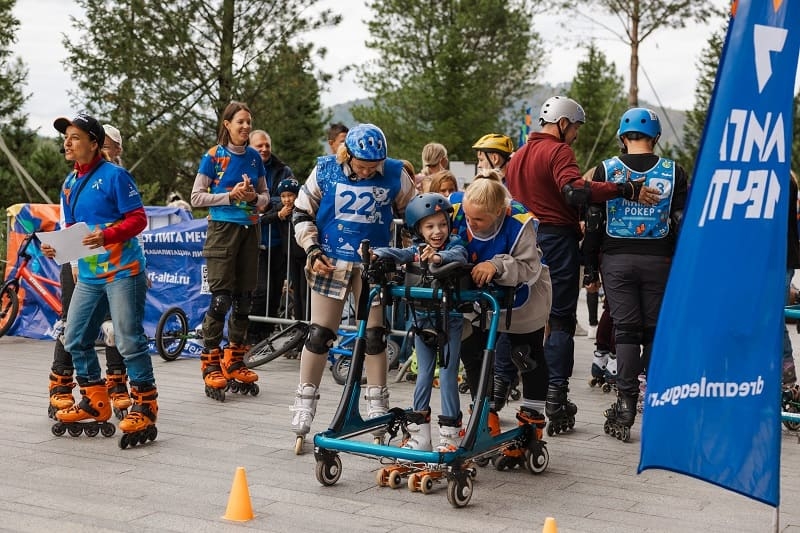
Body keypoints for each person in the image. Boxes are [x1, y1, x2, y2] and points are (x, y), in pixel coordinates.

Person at [504, 95, 660, 434]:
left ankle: (500, 386)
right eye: (574, 128)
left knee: (517, 319)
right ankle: (555, 398)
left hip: (519, 239)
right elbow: (574, 191)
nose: (574, 135)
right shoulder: (558, 150)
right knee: (560, 320)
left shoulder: (516, 156)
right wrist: (625, 189)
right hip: (554, 240)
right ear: (562, 124)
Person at [290, 123, 416, 452]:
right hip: (331, 259)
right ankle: (305, 399)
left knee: (375, 335)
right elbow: (302, 211)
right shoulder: (326, 171)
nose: (368, 172)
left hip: (374, 262)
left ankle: (377, 400)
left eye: (374, 167)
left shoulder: (395, 173)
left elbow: (414, 214)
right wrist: (312, 249)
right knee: (320, 333)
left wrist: (406, 250)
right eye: (362, 167)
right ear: (348, 155)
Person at [44, 113, 157, 444]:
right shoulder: (69, 183)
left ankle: (145, 406)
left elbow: (138, 220)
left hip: (123, 271)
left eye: (75, 136)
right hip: (91, 275)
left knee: (128, 340)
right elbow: (76, 230)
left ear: (94, 143)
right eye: (66, 136)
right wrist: (57, 248)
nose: (67, 141)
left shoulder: (115, 177)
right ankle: (95, 400)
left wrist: (107, 236)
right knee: (74, 337)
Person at [582, 107, 688, 441]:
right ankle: (656, 398)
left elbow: (595, 223)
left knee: (626, 331)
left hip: (617, 259)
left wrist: (588, 268)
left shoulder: (607, 169)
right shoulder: (674, 171)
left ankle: (626, 404)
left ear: (621, 137)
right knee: (656, 331)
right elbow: (682, 221)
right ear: (655, 138)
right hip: (661, 259)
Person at [450, 171, 552, 442]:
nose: (472, 223)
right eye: (470, 218)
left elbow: (530, 266)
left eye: (480, 219)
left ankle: (532, 420)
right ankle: (484, 414)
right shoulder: (458, 210)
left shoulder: (518, 222)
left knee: (525, 355)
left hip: (522, 296)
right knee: (473, 353)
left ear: (498, 211)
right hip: (479, 298)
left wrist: (496, 264)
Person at [47, 123, 132, 421]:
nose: (105, 149)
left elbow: (134, 225)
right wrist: (70, 262)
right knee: (72, 323)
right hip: (80, 263)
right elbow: (67, 224)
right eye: (102, 142)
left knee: (115, 326)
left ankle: (117, 383)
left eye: (111, 144)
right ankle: (60, 383)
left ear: (117, 149)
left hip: (118, 264)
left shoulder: (118, 178)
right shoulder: (74, 180)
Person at [370, 193, 468, 452]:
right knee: (423, 375)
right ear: (418, 230)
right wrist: (376, 254)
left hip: (450, 321)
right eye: (430, 226)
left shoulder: (453, 245)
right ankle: (419, 432)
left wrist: (438, 258)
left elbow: (460, 256)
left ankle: (450, 434)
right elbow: (399, 253)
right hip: (422, 322)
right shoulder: (415, 250)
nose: (438, 231)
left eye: (442, 224)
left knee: (447, 375)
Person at [190, 102, 270, 401]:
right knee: (222, 298)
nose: (246, 127)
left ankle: (235, 359)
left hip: (250, 230)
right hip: (222, 232)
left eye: (249, 122)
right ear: (227, 124)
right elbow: (196, 197)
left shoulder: (253, 158)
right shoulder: (213, 156)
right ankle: (211, 360)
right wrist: (229, 195)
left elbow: (265, 197)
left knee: (244, 299)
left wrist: (253, 197)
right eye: (240, 122)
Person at [249, 129, 294, 341]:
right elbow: (246, 201)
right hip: (253, 240)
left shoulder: (283, 170)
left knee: (275, 291)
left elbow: (291, 198)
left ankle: (265, 337)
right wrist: (273, 206)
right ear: (250, 148)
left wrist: (262, 203)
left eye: (267, 145)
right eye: (259, 146)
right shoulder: (246, 168)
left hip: (278, 240)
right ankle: (252, 337)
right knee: (260, 291)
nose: (265, 149)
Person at [261, 177, 308, 321]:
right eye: (283, 196)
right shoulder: (280, 207)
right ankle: (299, 323)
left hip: (306, 254)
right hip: (291, 255)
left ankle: (308, 322)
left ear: (297, 195)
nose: (287, 200)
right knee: (297, 293)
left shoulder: (304, 207)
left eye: (290, 195)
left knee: (306, 292)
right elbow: (263, 219)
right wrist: (279, 215)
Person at [783, 170, 800, 400]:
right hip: (751, 259)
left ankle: (788, 383)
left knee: (771, 320)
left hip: (778, 260)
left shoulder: (783, 177)